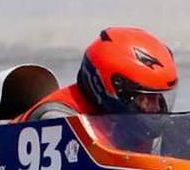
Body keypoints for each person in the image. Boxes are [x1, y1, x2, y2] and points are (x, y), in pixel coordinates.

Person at [13, 27, 178, 122]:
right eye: (145, 98)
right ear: (107, 86)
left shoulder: (141, 127)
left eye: (158, 97)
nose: (156, 108)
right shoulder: (58, 120)